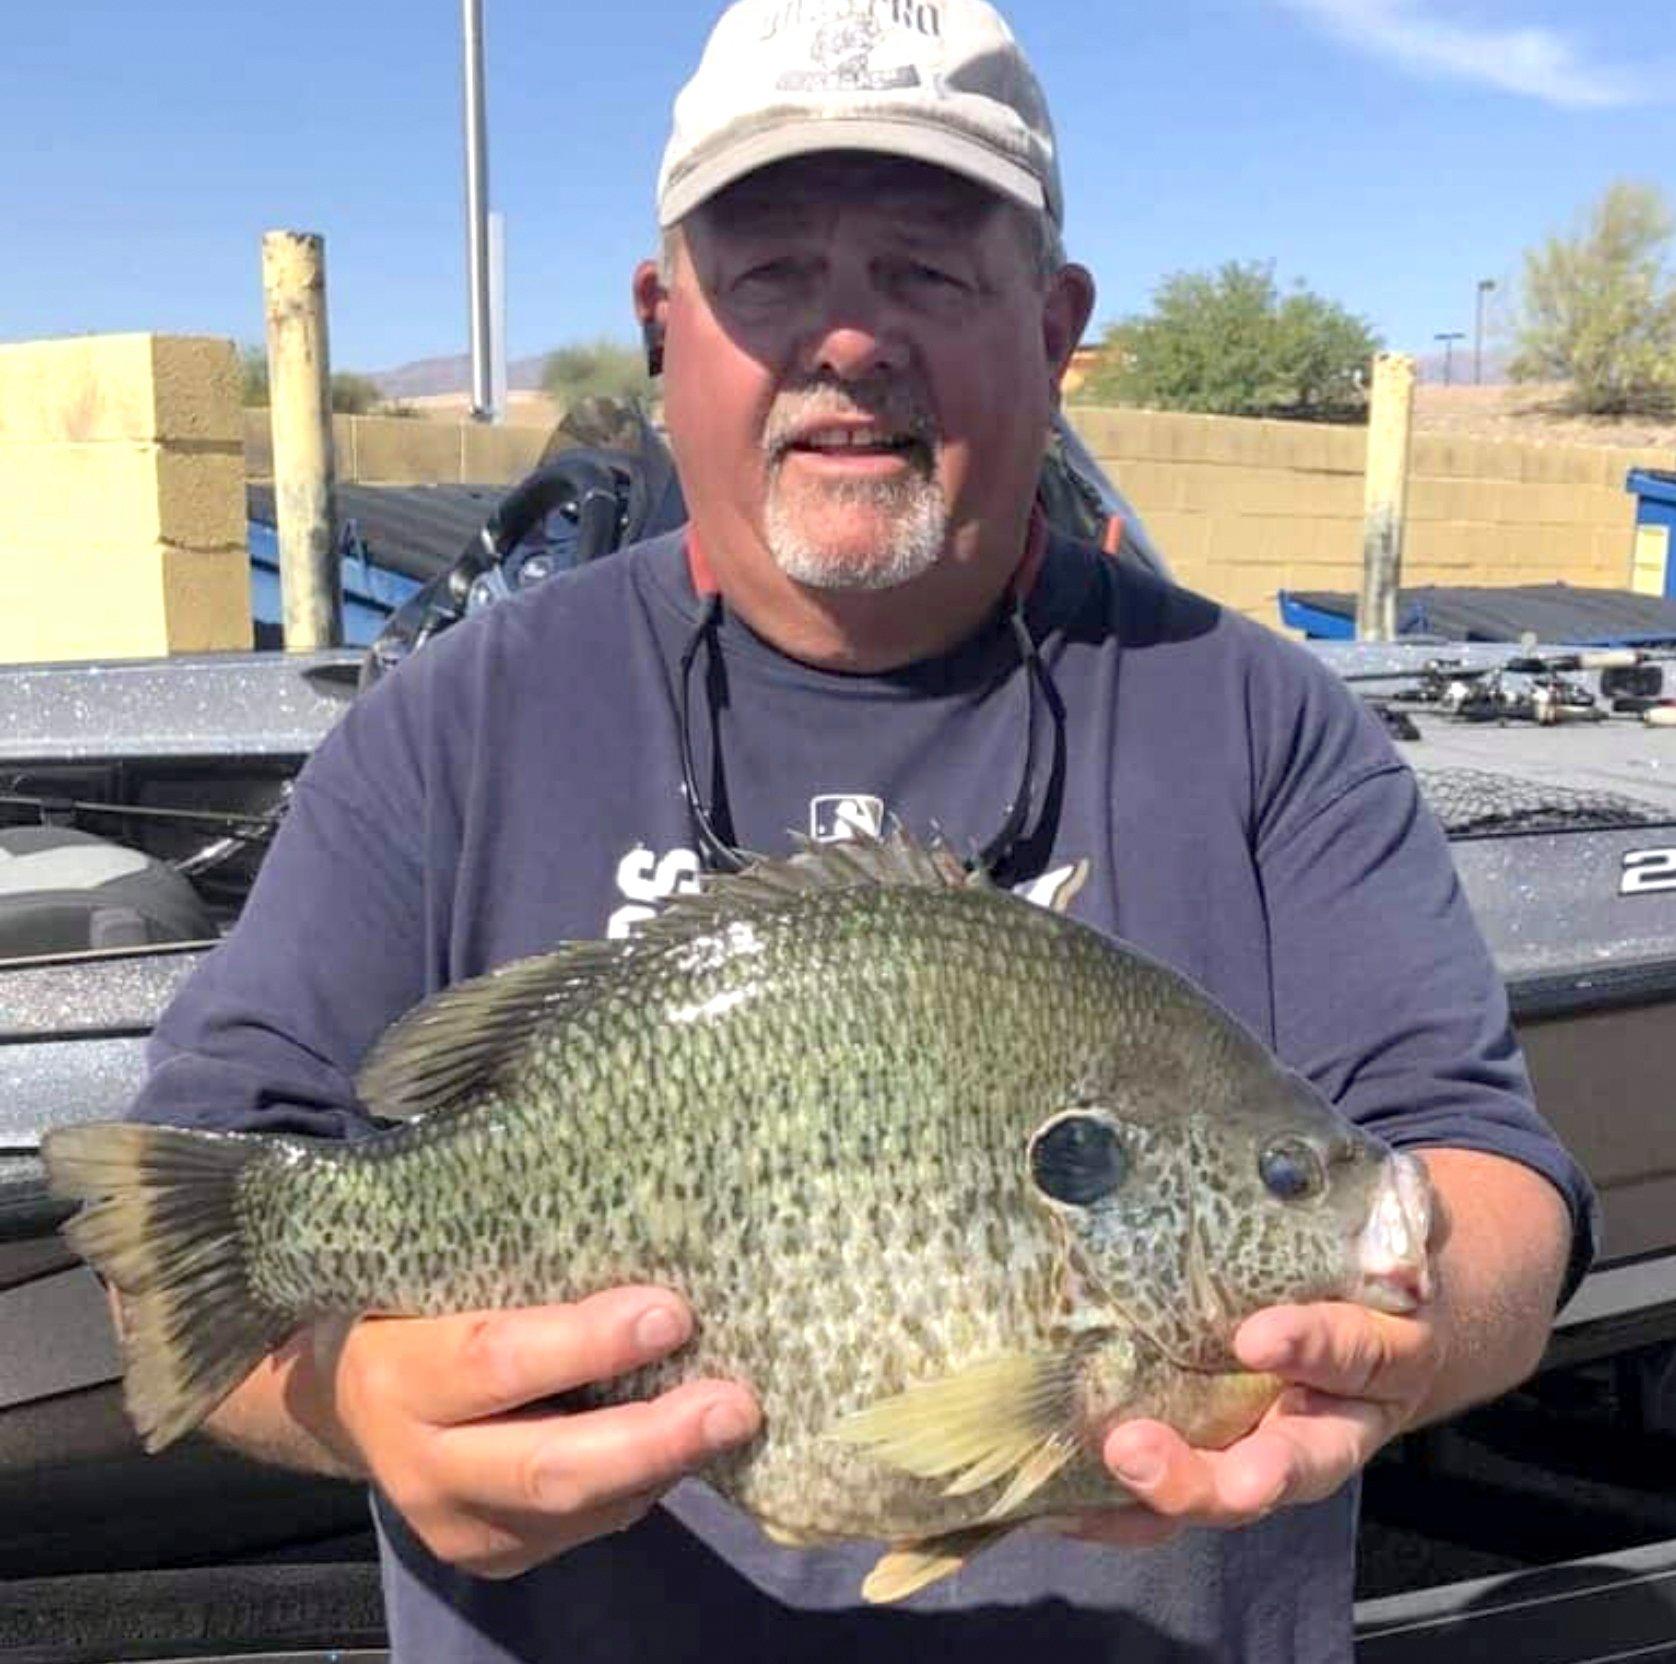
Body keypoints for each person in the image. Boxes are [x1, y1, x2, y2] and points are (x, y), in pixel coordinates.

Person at [126, 0, 1595, 1658]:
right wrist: (361, 1406)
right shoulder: (449, 730)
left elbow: (1481, 1190)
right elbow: (188, 1238)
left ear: (1053, 328)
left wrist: (1406, 1349)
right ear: (663, 323)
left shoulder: (1267, 723)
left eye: (924, 272)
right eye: (770, 275)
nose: (848, 342)